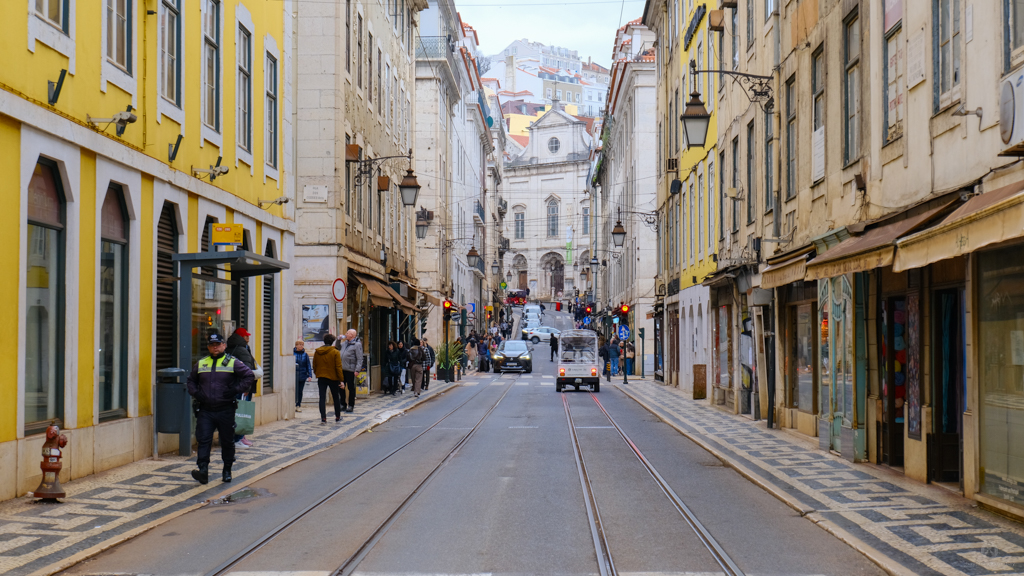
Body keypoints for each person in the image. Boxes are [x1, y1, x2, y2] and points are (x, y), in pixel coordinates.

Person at [186, 333, 254, 484]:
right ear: (209, 347)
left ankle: (227, 469)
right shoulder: (202, 363)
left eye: (218, 344)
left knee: (227, 441)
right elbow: (190, 380)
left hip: (226, 409)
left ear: (224, 345)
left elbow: (249, 376)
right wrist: (196, 393)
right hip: (206, 410)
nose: (215, 347)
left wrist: (235, 389)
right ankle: (203, 470)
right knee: (204, 440)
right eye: (212, 345)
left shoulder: (232, 362)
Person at [226, 327, 257, 448]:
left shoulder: (231, 347)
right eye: (246, 336)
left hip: (233, 384)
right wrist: (247, 387)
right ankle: (237, 438)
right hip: (241, 385)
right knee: (241, 412)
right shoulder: (242, 349)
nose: (248, 338)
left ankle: (241, 436)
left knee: (237, 412)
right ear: (241, 337)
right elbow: (247, 370)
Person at [313, 333, 345, 422]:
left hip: (321, 377)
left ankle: (323, 417)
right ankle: (337, 416)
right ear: (332, 341)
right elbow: (338, 367)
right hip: (333, 378)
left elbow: (314, 365)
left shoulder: (317, 352)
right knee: (335, 397)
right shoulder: (335, 352)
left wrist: (317, 373)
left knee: (322, 398)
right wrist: (341, 380)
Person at [336, 329, 364, 412]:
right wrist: (338, 340)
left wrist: (357, 370)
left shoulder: (357, 344)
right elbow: (337, 348)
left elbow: (359, 358)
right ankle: (342, 404)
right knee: (341, 387)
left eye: (347, 333)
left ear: (352, 335)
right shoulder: (344, 343)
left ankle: (351, 405)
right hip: (342, 368)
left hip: (351, 369)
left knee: (351, 388)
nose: (345, 334)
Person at [293, 340, 313, 412]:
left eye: (302, 344)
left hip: (302, 375)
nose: (301, 346)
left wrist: (309, 375)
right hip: (294, 376)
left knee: (300, 391)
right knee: (294, 390)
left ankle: (298, 404)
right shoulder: (292, 354)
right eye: (300, 344)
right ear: (296, 345)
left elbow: (308, 365)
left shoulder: (305, 355)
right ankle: (293, 404)